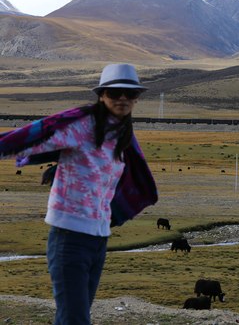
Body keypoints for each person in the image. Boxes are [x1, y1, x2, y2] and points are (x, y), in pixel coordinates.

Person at [0, 63, 158, 325]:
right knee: (75, 319)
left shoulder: (123, 135)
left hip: (98, 238)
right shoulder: (82, 126)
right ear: (102, 95)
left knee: (73, 317)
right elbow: (33, 139)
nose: (122, 98)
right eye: (114, 92)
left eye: (130, 93)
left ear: (137, 98)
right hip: (69, 238)